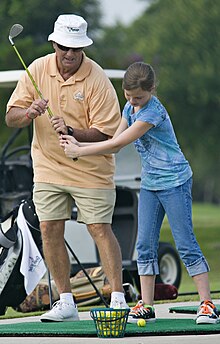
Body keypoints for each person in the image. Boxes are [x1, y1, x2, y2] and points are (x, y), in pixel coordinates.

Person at [60, 61, 219, 325]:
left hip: (175, 182)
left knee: (185, 242)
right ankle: (146, 305)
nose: (134, 102)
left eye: (140, 97)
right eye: (129, 96)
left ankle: (207, 303)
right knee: (144, 244)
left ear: (152, 90)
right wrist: (78, 140)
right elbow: (112, 141)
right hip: (150, 184)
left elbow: (120, 143)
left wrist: (79, 151)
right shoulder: (130, 107)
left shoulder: (152, 112)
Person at [5, 14, 129, 322]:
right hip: (48, 165)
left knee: (99, 228)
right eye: (63, 47)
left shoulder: (97, 78)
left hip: (91, 166)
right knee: (49, 228)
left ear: (84, 47)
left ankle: (117, 297)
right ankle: (65, 300)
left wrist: (73, 131)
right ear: (54, 44)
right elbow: (11, 116)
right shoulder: (36, 69)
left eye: (75, 48)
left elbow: (107, 132)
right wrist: (29, 113)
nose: (69, 54)